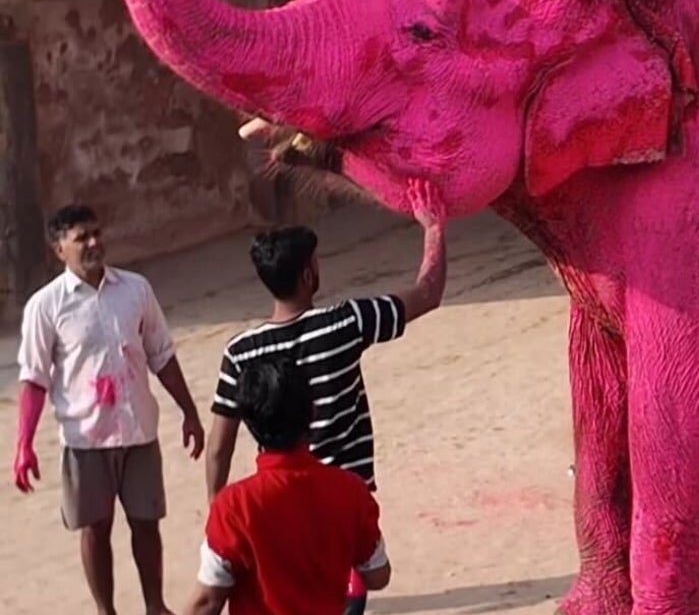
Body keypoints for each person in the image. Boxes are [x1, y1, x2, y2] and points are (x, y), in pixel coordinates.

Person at [205, 180, 446, 615]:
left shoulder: (239, 352)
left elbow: (219, 446)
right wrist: (434, 227)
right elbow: (428, 293)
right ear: (307, 275)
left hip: (278, 494)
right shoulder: (345, 323)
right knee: (346, 581)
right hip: (345, 491)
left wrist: (217, 511)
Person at [11, 203, 205, 615]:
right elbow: (34, 379)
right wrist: (23, 444)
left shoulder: (135, 290)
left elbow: (162, 355)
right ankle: (106, 611)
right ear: (58, 248)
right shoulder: (45, 307)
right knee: (95, 529)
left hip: (138, 428)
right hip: (85, 437)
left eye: (97, 233)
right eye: (81, 238)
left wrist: (188, 411)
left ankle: (156, 606)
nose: (94, 243)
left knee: (146, 523)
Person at [185, 358, 391, 615]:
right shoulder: (351, 491)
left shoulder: (234, 506)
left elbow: (207, 601)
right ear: (312, 413)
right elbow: (378, 576)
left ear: (250, 424)